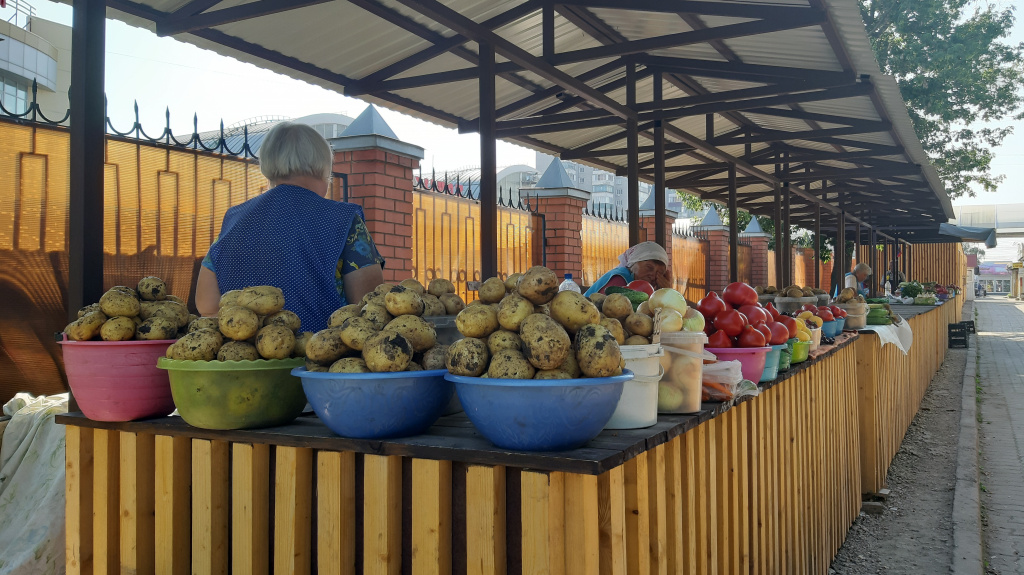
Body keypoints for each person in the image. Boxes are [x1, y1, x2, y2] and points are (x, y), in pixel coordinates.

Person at [195, 122, 384, 331]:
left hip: (244, 358)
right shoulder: (344, 219)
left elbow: (207, 304)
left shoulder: (234, 219)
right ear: (323, 168)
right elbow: (370, 305)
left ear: (267, 165)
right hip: (319, 358)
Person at [584, 241, 673, 297]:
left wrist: (665, 292)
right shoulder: (620, 278)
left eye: (660, 273)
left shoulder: (640, 288)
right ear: (632, 263)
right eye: (649, 267)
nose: (653, 276)